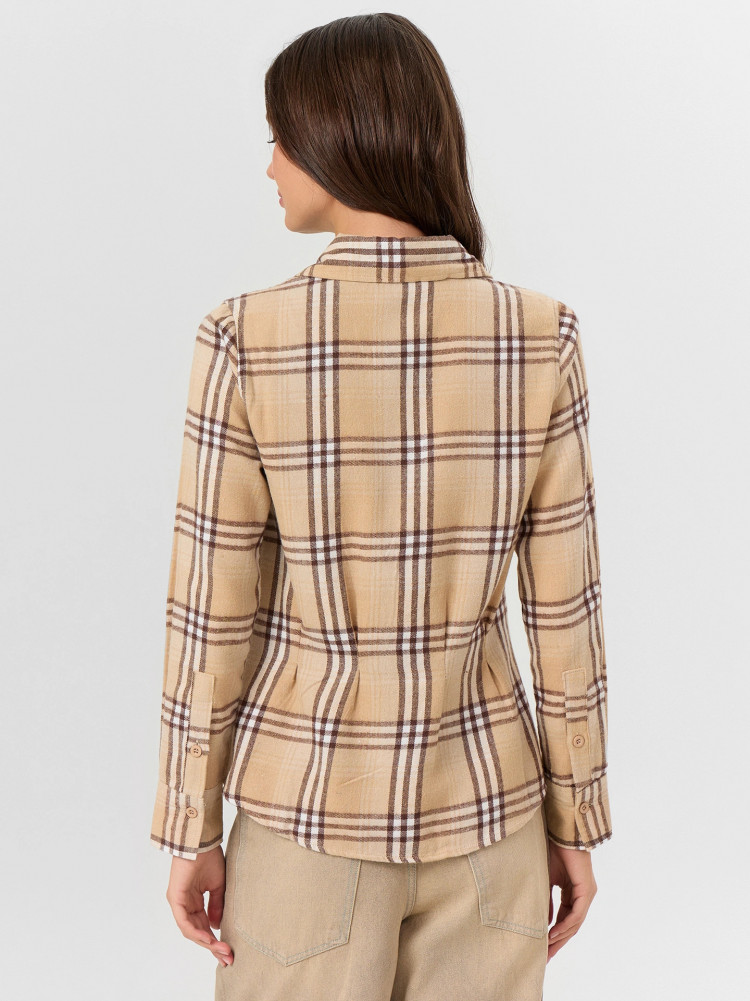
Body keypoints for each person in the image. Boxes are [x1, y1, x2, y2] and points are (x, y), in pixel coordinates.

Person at [150, 13, 613, 1001]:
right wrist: (575, 818)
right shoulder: (541, 336)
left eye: (281, 136)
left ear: (340, 136)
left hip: (306, 816)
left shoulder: (245, 337)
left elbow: (211, 615)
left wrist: (192, 822)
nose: (270, 164)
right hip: (492, 814)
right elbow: (566, 619)